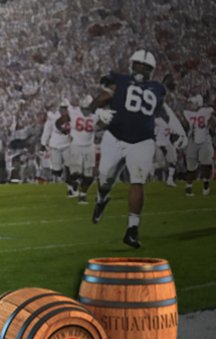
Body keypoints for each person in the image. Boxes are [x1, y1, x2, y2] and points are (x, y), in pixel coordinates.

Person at [89, 49, 187, 248]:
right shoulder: (121, 80)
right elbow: (99, 100)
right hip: (115, 137)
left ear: (151, 70)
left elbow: (164, 110)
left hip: (143, 141)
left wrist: (179, 130)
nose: (141, 69)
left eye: (146, 67)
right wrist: (98, 111)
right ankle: (101, 198)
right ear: (132, 65)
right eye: (139, 65)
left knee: (138, 181)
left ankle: (132, 229)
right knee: (105, 177)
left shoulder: (156, 88)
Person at [57, 95, 99, 204]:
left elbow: (105, 125)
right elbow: (59, 122)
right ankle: (72, 182)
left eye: (88, 109)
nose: (86, 112)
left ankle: (83, 195)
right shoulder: (74, 112)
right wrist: (63, 130)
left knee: (89, 175)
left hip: (90, 146)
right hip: (76, 145)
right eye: (85, 109)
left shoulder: (97, 114)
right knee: (76, 172)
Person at [181, 94, 214, 196]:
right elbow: (183, 116)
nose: (190, 105)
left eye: (192, 103)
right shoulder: (188, 113)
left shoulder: (207, 111)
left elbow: (212, 113)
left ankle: (206, 183)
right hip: (192, 140)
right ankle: (189, 187)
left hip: (205, 139)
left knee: (206, 164)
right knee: (191, 166)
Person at [41, 99, 73, 194]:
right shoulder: (53, 116)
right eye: (62, 108)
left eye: (65, 108)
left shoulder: (72, 116)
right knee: (56, 169)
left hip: (67, 143)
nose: (64, 110)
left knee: (69, 167)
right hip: (55, 144)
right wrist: (43, 142)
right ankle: (63, 183)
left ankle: (70, 187)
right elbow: (47, 129)